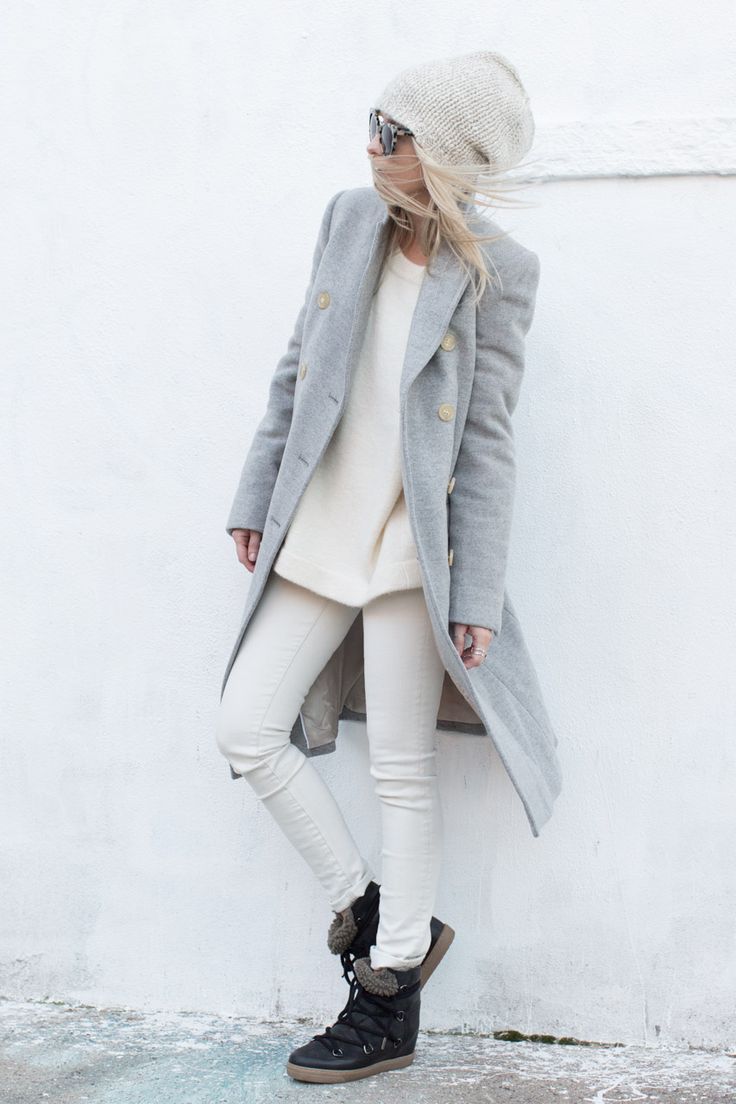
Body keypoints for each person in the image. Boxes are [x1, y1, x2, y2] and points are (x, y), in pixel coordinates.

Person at [216, 49, 541, 1084]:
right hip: (321, 521)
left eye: (392, 132)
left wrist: (475, 591)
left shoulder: (498, 271)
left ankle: (390, 991)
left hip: (411, 548)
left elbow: (486, 442)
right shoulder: (348, 220)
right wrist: (257, 495)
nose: (371, 143)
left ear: (441, 153)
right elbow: (296, 368)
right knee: (246, 725)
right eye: (374, 120)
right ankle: (367, 908)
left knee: (403, 767)